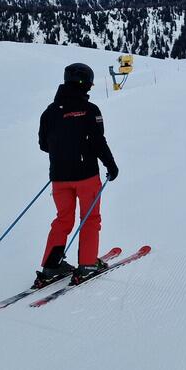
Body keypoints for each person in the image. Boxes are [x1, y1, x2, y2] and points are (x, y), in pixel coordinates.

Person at [35, 63, 119, 286]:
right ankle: (87, 264)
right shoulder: (90, 110)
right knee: (90, 218)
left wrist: (64, 148)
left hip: (59, 178)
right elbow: (99, 142)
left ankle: (51, 266)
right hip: (86, 177)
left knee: (62, 220)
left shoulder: (49, 112)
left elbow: (44, 145)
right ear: (88, 83)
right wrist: (111, 165)